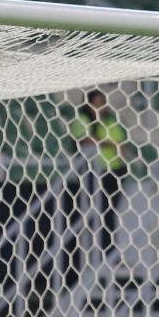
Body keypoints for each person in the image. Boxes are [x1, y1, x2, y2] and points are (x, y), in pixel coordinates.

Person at [67, 89, 129, 251]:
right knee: (91, 211)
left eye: (102, 102)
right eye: (96, 103)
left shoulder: (110, 121)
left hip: (114, 171)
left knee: (109, 213)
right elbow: (87, 139)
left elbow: (121, 143)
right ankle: (86, 250)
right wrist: (110, 144)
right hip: (91, 173)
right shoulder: (82, 119)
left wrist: (118, 150)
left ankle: (107, 250)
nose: (99, 106)